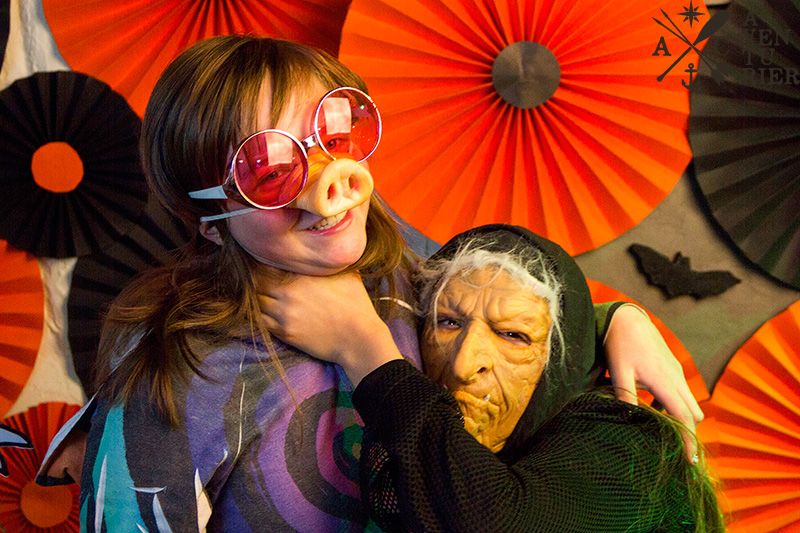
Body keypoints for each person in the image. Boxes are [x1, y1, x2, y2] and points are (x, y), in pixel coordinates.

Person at [37, 36, 702, 531]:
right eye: (268, 168)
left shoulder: (403, 281)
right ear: (209, 222)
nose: (328, 180)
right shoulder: (176, 374)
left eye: (333, 129)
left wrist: (613, 319)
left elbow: (498, 322)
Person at [261, 224, 724, 532]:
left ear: (563, 359)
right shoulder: (420, 443)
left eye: (513, 336)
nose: (464, 366)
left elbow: (493, 521)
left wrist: (365, 351)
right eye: (448, 323)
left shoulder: (633, 445)